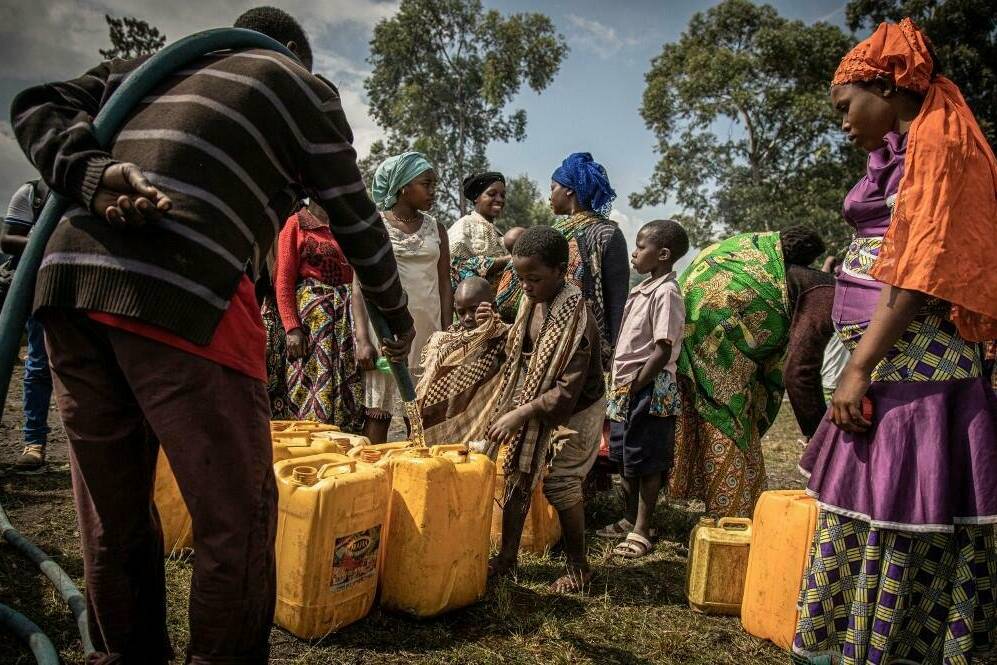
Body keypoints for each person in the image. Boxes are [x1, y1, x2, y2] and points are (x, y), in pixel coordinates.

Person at [9, 6, 415, 662]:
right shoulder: (298, 85)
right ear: (291, 53)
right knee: (237, 521)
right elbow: (357, 221)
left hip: (70, 287)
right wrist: (397, 317)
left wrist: (90, 171)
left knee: (112, 514)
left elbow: (35, 103)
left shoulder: (144, 70)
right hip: (184, 285)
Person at [793, 18, 997, 664]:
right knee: (870, 505)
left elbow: (916, 275)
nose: (842, 122)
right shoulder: (901, 152)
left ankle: (889, 647)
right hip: (890, 367)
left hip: (916, 372)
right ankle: (853, 643)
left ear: (886, 85)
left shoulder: (941, 150)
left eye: (844, 106)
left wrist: (857, 367)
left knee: (905, 510)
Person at [668, 226, 835, 518]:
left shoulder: (762, 263)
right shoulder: (826, 293)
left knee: (709, 414)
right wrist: (819, 435)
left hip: (685, 330)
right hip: (715, 343)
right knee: (729, 419)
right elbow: (799, 372)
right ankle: (732, 515)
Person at [485, 226, 606, 594]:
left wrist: (521, 413)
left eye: (534, 278)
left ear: (560, 270)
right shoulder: (531, 303)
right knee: (519, 473)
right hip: (539, 400)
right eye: (521, 277)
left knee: (561, 482)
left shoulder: (577, 319)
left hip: (578, 408)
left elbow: (567, 391)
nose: (525, 286)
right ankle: (507, 558)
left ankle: (579, 567)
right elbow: (521, 352)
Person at [596, 220, 688, 559]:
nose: (634, 253)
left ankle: (643, 529)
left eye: (640, 247)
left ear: (662, 254)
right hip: (627, 387)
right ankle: (628, 518)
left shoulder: (666, 293)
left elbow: (662, 349)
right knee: (625, 456)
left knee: (647, 459)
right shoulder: (643, 289)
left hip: (651, 387)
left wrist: (636, 385)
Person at [353, 151, 453, 443]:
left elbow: (444, 284)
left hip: (428, 332)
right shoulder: (375, 226)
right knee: (379, 414)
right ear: (403, 186)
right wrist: (363, 339)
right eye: (426, 184)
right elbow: (358, 286)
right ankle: (370, 470)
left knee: (421, 415)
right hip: (386, 332)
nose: (433, 191)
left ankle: (419, 468)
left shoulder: (437, 228)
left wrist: (447, 335)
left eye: (434, 184)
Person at [496, 153, 628, 349]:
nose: (550, 196)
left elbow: (617, 302)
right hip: (546, 336)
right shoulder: (552, 233)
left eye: (553, 188)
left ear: (569, 190)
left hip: (587, 342)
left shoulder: (606, 234)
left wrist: (616, 351)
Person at [277, 200, 364, 430]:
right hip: (312, 325)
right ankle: (310, 443)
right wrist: (292, 327)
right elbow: (284, 280)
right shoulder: (297, 224)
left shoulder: (346, 225)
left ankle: (344, 445)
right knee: (311, 387)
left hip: (347, 322)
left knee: (348, 387)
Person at [417, 276, 509, 444]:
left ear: (493, 307)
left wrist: (488, 327)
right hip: (450, 416)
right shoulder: (448, 339)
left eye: (474, 310)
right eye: (461, 312)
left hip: (483, 415)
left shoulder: (502, 336)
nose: (467, 317)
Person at [1, 180, 53, 471]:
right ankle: (34, 442)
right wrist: (53, 243)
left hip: (84, 290)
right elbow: (8, 239)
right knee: (38, 365)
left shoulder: (93, 191)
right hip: (39, 289)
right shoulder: (33, 193)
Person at [448, 172, 511, 289]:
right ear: (476, 197)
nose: (499, 199)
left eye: (502, 195)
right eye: (492, 194)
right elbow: (456, 269)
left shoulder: (497, 231)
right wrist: (507, 260)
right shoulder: (463, 226)